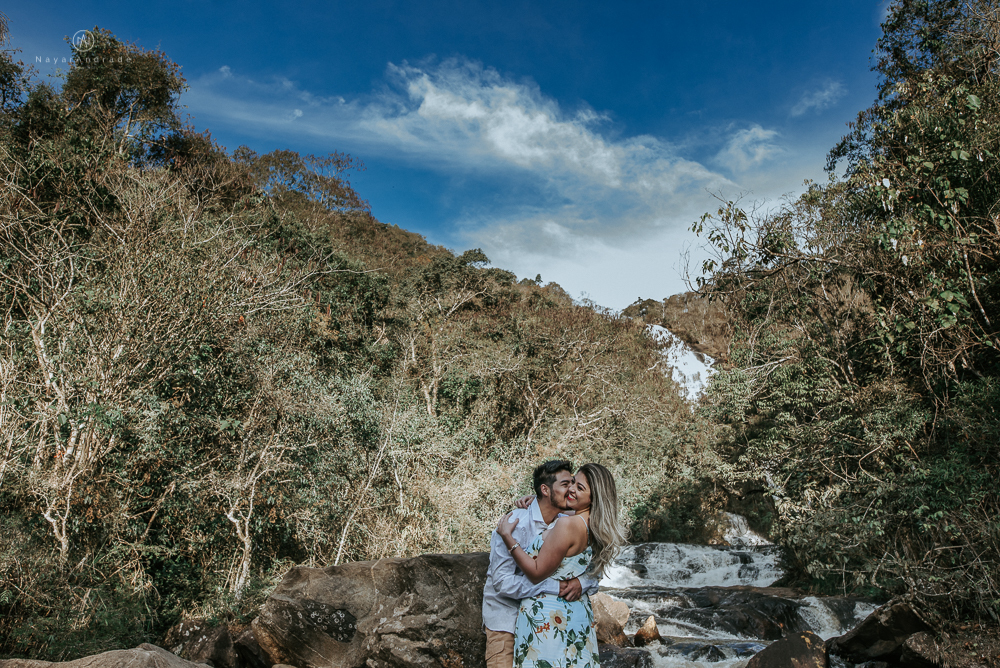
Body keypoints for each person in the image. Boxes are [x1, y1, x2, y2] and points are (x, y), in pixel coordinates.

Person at [496, 463, 627, 668]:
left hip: (548, 618)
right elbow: (593, 572)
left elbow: (536, 572)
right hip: (576, 614)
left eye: (580, 488)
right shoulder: (592, 525)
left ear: (594, 498)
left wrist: (508, 538)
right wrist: (536, 501)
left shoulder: (567, 525)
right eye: (573, 482)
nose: (571, 489)